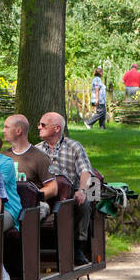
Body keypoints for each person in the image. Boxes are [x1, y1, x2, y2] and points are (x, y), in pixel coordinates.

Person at [37, 112, 96, 263]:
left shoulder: (74, 146)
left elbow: (85, 171)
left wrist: (82, 191)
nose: (38, 127)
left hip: (70, 194)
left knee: (84, 204)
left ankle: (78, 246)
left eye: (43, 125)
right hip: (47, 194)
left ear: (56, 128)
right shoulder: (37, 150)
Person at [2, 114, 57, 215]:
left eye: (6, 127)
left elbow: (53, 188)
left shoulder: (40, 157)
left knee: (32, 213)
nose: (3, 130)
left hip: (32, 204)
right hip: (9, 203)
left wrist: (30, 197)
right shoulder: (3, 156)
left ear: (18, 131)